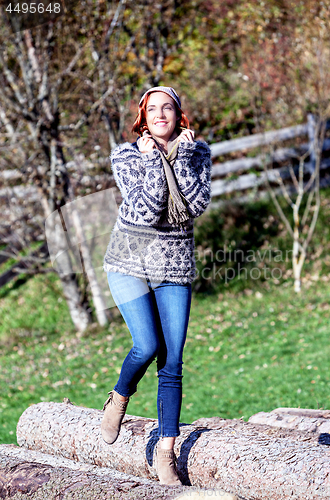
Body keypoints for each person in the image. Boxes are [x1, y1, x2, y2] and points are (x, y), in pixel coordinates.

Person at [102, 86, 211, 485]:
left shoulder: (198, 153)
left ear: (180, 115)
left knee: (173, 359)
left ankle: (166, 451)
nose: (161, 114)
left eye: (169, 107)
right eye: (153, 109)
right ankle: (119, 396)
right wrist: (152, 163)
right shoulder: (126, 155)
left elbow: (193, 206)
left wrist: (180, 157)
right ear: (142, 118)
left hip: (174, 267)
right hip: (129, 263)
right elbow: (147, 211)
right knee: (146, 345)